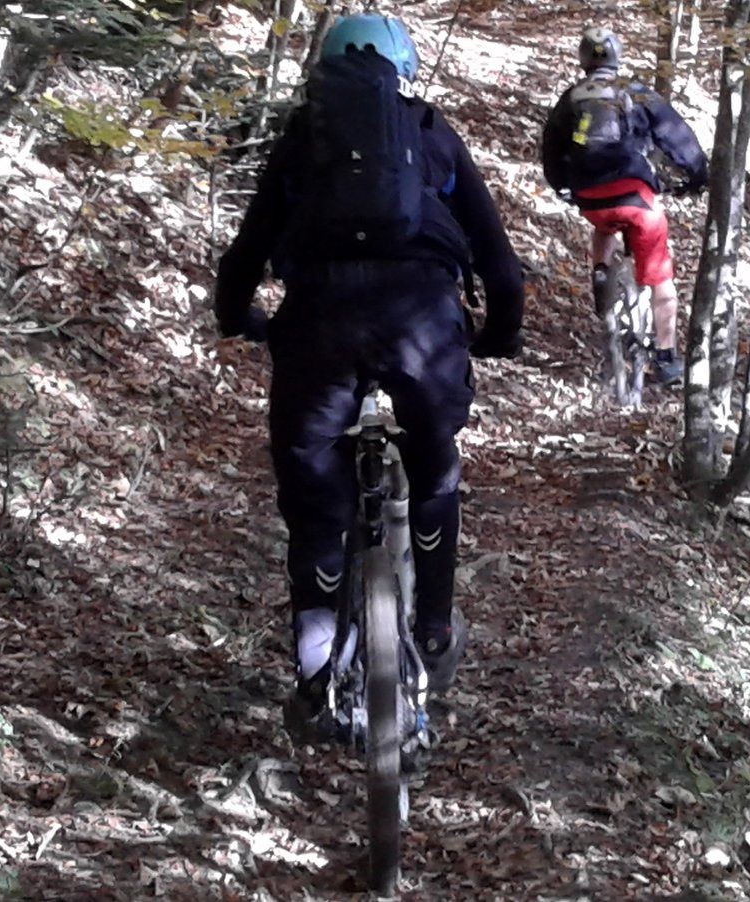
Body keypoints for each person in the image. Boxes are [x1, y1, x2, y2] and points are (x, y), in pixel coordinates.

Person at [212, 14, 524, 733]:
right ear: (403, 71)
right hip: (423, 327)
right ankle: (435, 628)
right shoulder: (432, 135)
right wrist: (495, 338)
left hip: (319, 326)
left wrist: (238, 318)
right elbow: (501, 269)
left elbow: (245, 256)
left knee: (314, 493)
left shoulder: (302, 144)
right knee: (436, 466)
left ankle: (317, 667)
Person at [539, 26, 708, 385]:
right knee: (661, 279)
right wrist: (696, 175)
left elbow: (551, 149)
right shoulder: (636, 93)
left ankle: (601, 270)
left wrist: (563, 188)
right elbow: (676, 136)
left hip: (589, 198)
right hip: (635, 197)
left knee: (604, 223)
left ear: (583, 60)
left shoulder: (571, 98)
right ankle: (666, 358)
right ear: (618, 57)